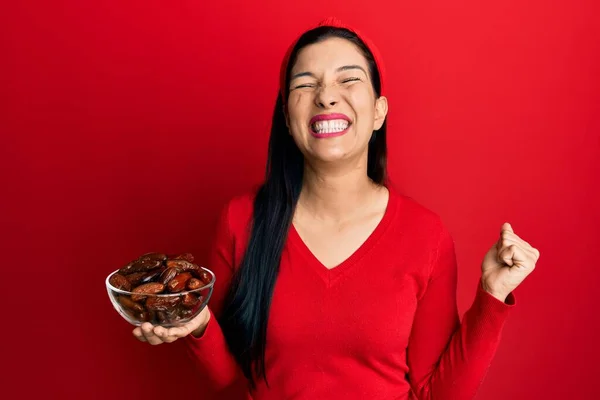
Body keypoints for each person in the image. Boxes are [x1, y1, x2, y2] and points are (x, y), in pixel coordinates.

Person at [132, 17, 540, 400]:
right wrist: (197, 325)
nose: (326, 96)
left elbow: (439, 392)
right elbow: (226, 375)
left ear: (379, 111)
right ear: (288, 119)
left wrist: (492, 295)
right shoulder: (241, 220)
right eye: (305, 85)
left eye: (349, 80)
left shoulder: (426, 235)